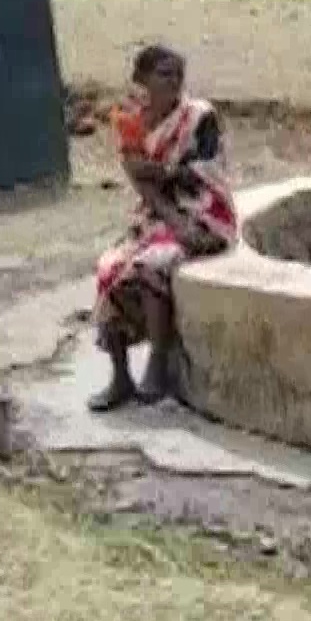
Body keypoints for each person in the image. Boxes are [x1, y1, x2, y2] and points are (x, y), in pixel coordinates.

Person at [89, 45, 237, 412]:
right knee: (109, 267)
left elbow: (203, 172)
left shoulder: (199, 118)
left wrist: (161, 175)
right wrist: (169, 206)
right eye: (164, 74)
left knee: (153, 264)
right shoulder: (130, 120)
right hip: (160, 214)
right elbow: (141, 180)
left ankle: (157, 364)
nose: (174, 82)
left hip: (204, 211)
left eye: (177, 75)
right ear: (142, 80)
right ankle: (120, 375)